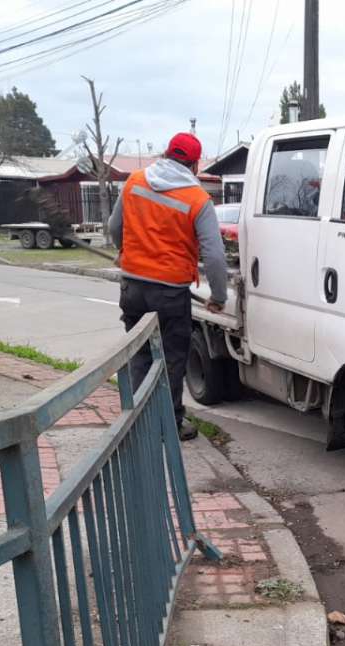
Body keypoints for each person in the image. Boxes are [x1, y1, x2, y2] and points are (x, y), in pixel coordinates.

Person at [108, 132, 228, 441]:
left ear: (165, 153)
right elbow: (214, 255)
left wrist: (124, 252)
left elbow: (113, 227)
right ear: (195, 163)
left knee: (140, 354)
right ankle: (170, 423)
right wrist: (217, 296)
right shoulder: (197, 198)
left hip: (133, 288)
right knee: (173, 359)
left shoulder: (134, 181)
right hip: (170, 294)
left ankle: (137, 424)